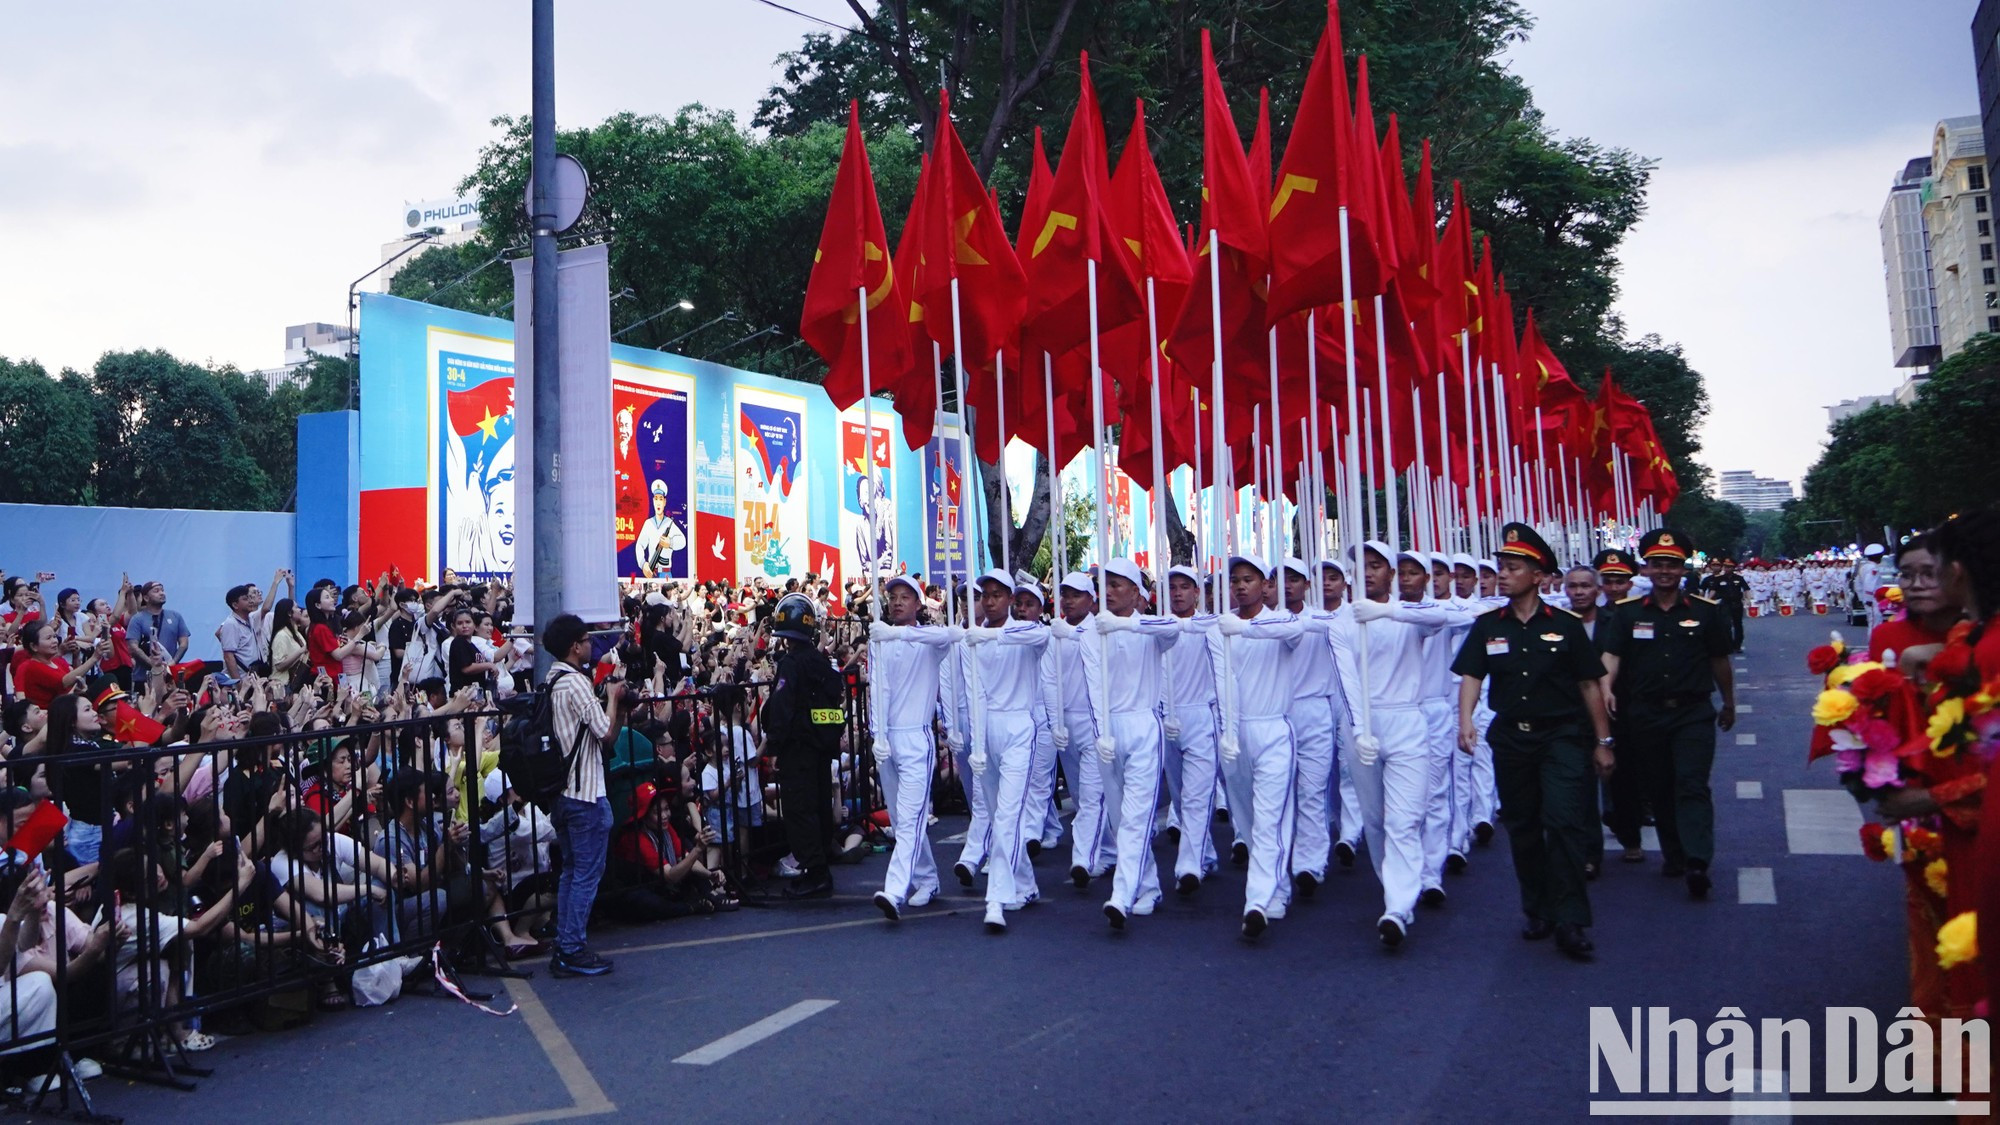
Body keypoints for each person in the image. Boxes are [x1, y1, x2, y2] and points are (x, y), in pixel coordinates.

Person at [1451, 522, 1615, 961]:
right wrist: (1465, 720)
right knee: (1523, 827)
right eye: (1501, 567)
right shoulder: (1489, 626)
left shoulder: (1564, 625)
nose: (1502, 575)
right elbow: (1471, 674)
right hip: (1511, 739)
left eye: (1513, 568)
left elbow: (1588, 685)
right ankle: (1537, 908)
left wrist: (1603, 741)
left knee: (1564, 823)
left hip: (1562, 736)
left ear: (1538, 576)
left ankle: (1571, 919)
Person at [1598, 528, 1736, 900]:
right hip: (1645, 713)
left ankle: (1697, 860)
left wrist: (1729, 702)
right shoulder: (1627, 614)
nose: (1664, 572)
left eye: (1671, 565)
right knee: (1659, 786)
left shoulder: (1705, 613)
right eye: (1657, 564)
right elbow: (1612, 655)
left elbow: (1719, 660)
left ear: (1682, 570)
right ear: (1646, 569)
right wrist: (1607, 686)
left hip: (1691, 712)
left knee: (1691, 783)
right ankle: (1674, 854)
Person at [1333, 542, 1447, 949]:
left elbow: (1447, 616)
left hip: (1406, 719)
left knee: (1404, 819)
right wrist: (1361, 728)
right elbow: (1346, 681)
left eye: (1377, 566)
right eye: (1361, 567)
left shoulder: (1409, 612)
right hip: (1362, 721)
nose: (1368, 573)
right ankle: (1393, 887)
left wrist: (1388, 610)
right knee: (1376, 819)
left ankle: (1397, 906)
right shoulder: (1342, 620)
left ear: (1391, 574)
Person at [1078, 559, 1180, 930]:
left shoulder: (1148, 627)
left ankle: (1121, 895)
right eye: (1104, 585)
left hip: (1143, 724)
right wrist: (1101, 730)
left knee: (1137, 818)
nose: (1109, 591)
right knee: (1122, 820)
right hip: (1108, 729)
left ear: (1137, 593)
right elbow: (1093, 684)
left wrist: (1128, 622)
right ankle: (1148, 886)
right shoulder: (1092, 631)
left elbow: (1172, 629)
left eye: (1118, 585)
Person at [1214, 555, 1307, 939]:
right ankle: (1276, 888)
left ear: (1266, 584)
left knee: (1271, 820)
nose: (1240, 586)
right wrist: (1228, 730)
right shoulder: (1220, 628)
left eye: (1248, 579)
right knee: (1248, 821)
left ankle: (1255, 900)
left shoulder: (1282, 620)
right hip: (1236, 733)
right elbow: (1222, 681)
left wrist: (1242, 630)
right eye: (1234, 580)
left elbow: (1291, 630)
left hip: (1274, 730)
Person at [960, 572, 1051, 933]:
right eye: (986, 595)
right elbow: (973, 691)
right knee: (998, 812)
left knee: (1008, 817)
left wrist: (990, 633)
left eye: (999, 595)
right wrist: (973, 740)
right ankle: (1026, 885)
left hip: (1018, 728)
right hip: (987, 730)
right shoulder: (975, 637)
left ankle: (996, 897)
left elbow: (1042, 635)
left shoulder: (1026, 633)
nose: (991, 601)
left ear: (1011, 600)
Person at [542, 612, 631, 978]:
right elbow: (606, 734)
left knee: (572, 872)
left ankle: (566, 945)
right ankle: (572, 948)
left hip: (564, 794)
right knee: (585, 875)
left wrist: (617, 705)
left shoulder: (551, 680)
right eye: (586, 640)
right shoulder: (575, 683)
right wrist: (612, 695)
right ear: (574, 646)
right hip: (584, 793)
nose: (592, 645)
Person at [867, 576, 961, 920]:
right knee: (901, 817)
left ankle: (894, 890)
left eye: (905, 597)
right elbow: (878, 689)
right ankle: (927, 879)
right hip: (888, 740)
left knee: (908, 821)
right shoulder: (881, 640)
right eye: (893, 597)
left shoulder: (928, 640)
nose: (897, 602)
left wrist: (900, 633)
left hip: (917, 737)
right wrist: (877, 734)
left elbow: (952, 635)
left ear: (919, 604)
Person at [761, 592, 849, 899]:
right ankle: (818, 867)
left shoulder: (791, 665)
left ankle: (815, 872)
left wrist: (773, 748)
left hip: (797, 750)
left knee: (800, 811)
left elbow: (782, 708)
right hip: (820, 750)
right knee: (819, 807)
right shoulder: (821, 663)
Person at [1278, 558, 1340, 902]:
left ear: (1307, 585)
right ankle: (1279, 856)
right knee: (1280, 794)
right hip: (1276, 714)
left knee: (1313, 791)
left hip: (1315, 710)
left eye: (1295, 579)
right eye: (1281, 579)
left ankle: (1310, 863)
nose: (1288, 585)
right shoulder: (1263, 622)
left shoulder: (1323, 619)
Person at [1162, 565, 1222, 894]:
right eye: (1172, 587)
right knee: (1183, 797)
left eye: (1185, 587)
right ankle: (1206, 853)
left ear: (1197, 592)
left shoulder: (1210, 626)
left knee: (1198, 796)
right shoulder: (1156, 627)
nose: (1178, 593)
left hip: (1200, 716)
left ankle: (1188, 866)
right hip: (1167, 718)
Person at [126, 581, 189, 690]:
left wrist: (172, 663)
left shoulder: (175, 616)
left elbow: (184, 643)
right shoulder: (137, 619)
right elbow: (133, 647)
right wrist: (154, 664)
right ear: (146, 598)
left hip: (170, 676)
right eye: (156, 591)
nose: (161, 593)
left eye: (162, 590)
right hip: (144, 678)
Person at [1702, 557, 1750, 653]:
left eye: (1729, 567)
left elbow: (1746, 589)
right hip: (1725, 605)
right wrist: (1707, 600)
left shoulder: (1739, 578)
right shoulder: (1719, 579)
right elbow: (1713, 591)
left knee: (1738, 625)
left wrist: (1748, 599)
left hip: (1736, 604)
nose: (1727, 569)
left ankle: (1737, 645)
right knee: (1726, 625)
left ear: (1733, 568)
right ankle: (1729, 645)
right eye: (1725, 567)